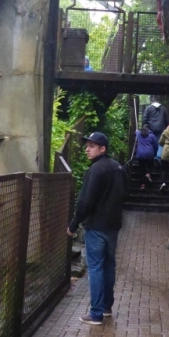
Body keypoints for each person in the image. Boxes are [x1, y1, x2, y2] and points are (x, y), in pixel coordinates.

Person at [66, 131, 128, 325]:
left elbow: (85, 201)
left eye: (91, 146)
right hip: (113, 226)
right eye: (87, 146)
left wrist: (74, 224)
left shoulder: (96, 170)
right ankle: (107, 307)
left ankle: (96, 313)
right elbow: (125, 195)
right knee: (109, 265)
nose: (87, 149)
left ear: (103, 148)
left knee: (95, 268)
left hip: (96, 226)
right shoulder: (119, 168)